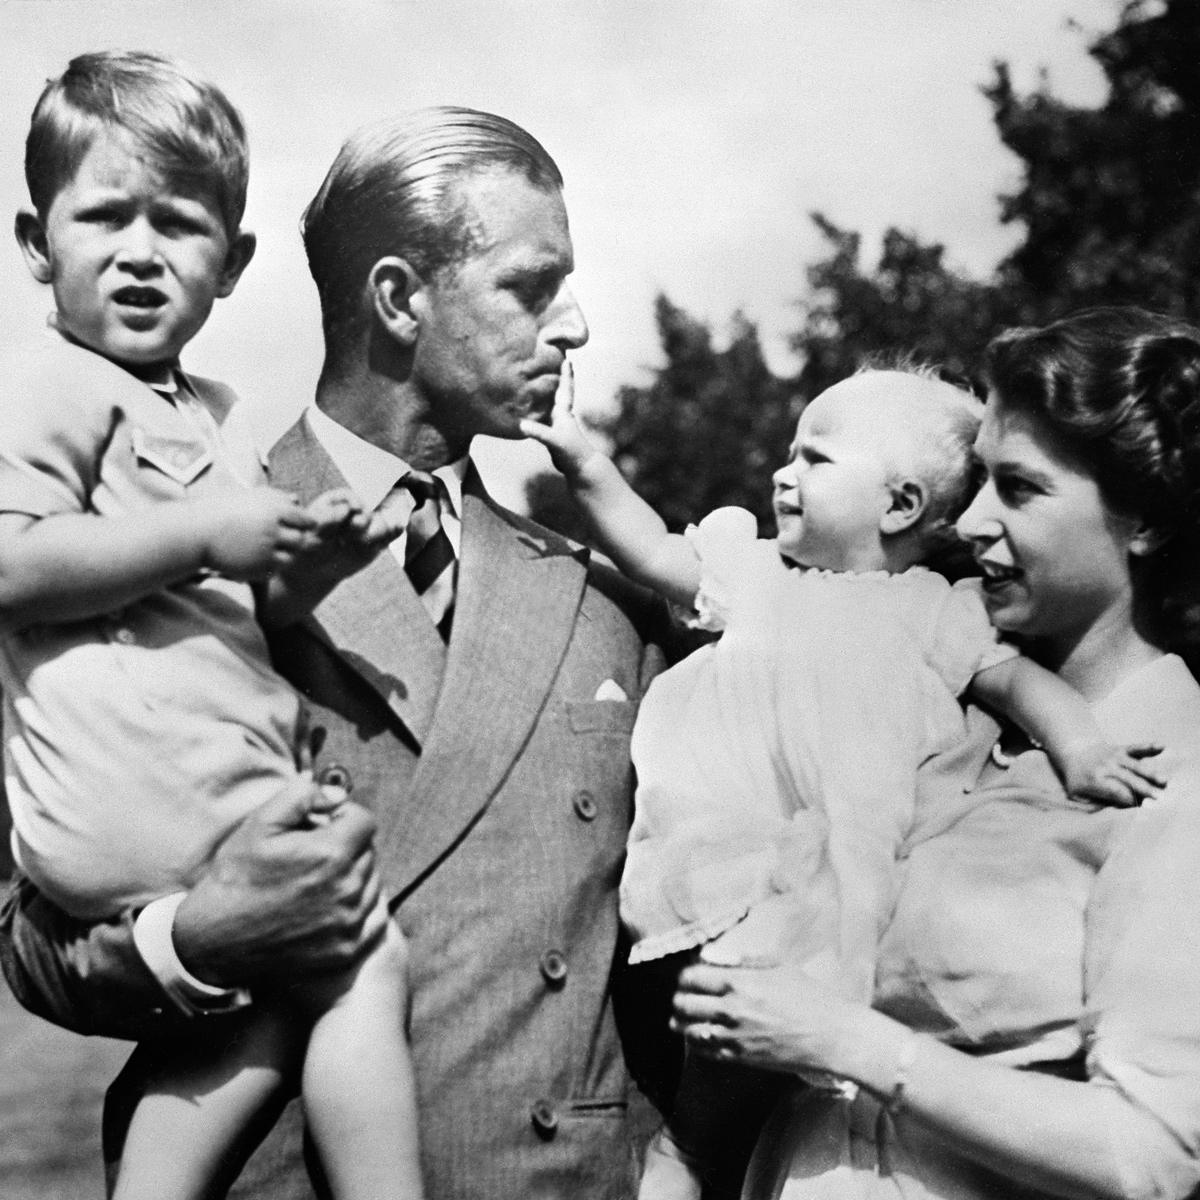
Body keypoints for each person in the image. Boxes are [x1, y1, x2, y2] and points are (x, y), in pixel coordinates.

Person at [0, 105, 671, 1200]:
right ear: (401, 298)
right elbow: (26, 935)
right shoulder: (156, 548)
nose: (575, 326)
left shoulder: (604, 598)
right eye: (531, 285)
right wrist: (194, 940)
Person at [525, 363, 1163, 1198]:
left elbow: (1019, 686)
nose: (783, 473)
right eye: (790, 453)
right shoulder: (758, 576)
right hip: (733, 874)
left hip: (847, 893)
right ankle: (682, 1160)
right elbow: (652, 551)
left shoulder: (943, 611)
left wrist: (1082, 747)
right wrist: (582, 461)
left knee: (800, 1073)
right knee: (707, 1108)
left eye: (815, 459)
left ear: (899, 505)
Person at [1, 51, 426, 1200]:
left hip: (181, 787)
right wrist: (206, 533)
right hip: (137, 790)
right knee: (361, 961)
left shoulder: (217, 415)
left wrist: (303, 568)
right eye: (106, 219)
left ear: (231, 264)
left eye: (181, 226)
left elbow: (239, 603)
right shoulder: (45, 383)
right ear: (38, 243)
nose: (142, 251)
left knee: (262, 1014)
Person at [670, 307, 1200, 1200]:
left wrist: (846, 1041)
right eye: (980, 480)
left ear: (1141, 521)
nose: (972, 520)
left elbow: (1153, 1154)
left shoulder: (1174, 769)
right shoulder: (937, 696)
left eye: (1020, 490)